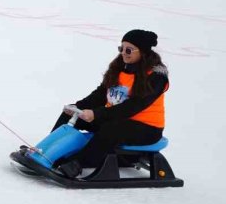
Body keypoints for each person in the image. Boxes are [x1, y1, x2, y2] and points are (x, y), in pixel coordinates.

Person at [51, 30, 168, 178]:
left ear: (143, 52)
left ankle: (77, 164)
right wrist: (77, 107)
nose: (123, 53)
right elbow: (100, 94)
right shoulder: (119, 68)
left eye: (129, 50)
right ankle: (47, 152)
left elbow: (132, 107)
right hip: (115, 118)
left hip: (147, 128)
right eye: (121, 49)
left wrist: (96, 114)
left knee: (111, 129)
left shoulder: (156, 77)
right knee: (72, 115)